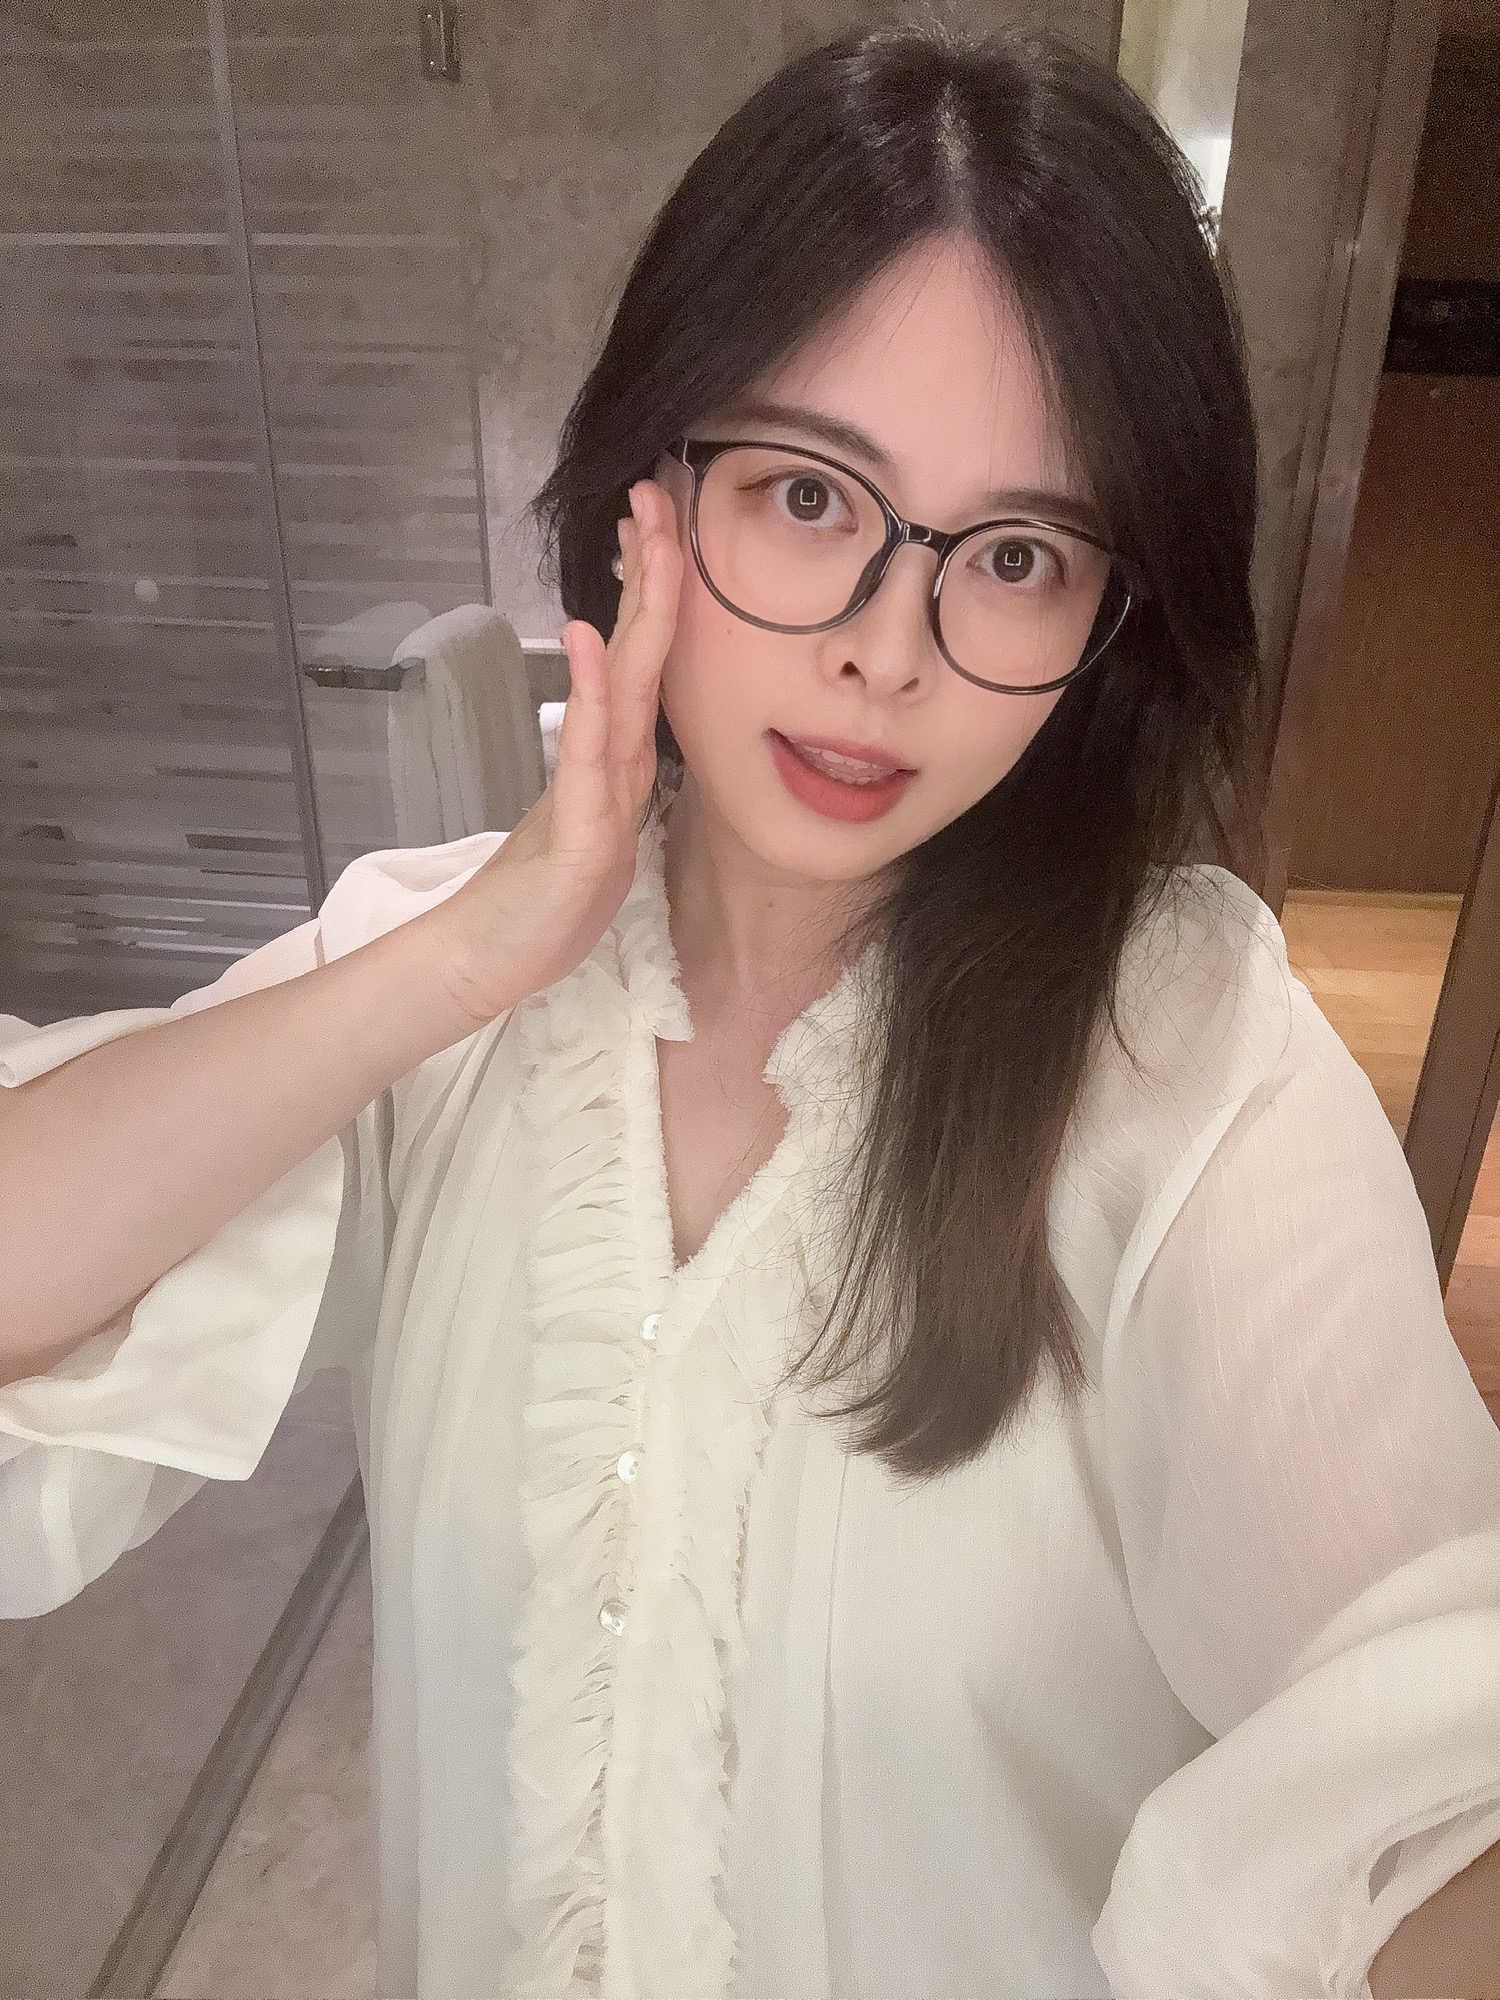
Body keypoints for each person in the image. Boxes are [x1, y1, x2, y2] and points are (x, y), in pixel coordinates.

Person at [2, 22, 1498, 2000]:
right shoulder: (447, 978)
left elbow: (1430, 1759)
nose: (888, 650)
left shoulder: (1196, 1067)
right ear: (649, 488)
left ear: (1109, 624)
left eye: (1017, 554)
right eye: (807, 495)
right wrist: (469, 949)